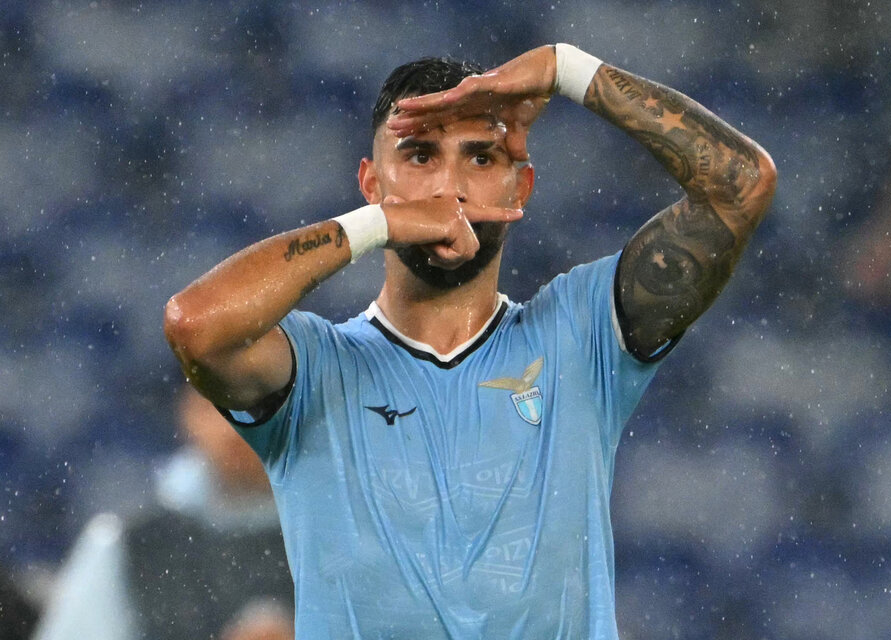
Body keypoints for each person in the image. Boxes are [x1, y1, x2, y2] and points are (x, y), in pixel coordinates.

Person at [164, 44, 776, 639]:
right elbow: (196, 323)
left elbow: (741, 186)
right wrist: (382, 225)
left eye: (481, 158)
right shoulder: (315, 366)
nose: (449, 187)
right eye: (420, 156)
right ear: (372, 184)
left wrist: (570, 71)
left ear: (521, 189)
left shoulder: (582, 332)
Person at [33, 386, 293, 640]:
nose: (234, 428)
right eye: (217, 405)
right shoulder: (127, 544)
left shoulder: (331, 530)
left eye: (258, 404)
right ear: (188, 412)